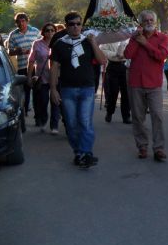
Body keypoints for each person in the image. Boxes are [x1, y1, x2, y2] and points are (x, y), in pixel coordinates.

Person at [50, 11, 107, 168]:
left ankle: (86, 153)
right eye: (72, 24)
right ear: (66, 26)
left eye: (78, 24)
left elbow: (102, 60)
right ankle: (79, 152)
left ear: (82, 25)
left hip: (87, 88)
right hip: (67, 89)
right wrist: (53, 89)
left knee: (85, 122)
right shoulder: (59, 44)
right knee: (71, 124)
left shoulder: (88, 41)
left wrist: (94, 43)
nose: (75, 27)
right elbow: (54, 67)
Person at [124, 10, 168, 161]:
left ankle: (159, 148)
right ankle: (142, 146)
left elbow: (161, 56)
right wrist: (136, 39)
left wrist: (145, 44)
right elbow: (127, 55)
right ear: (141, 23)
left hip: (154, 84)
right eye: (146, 20)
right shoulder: (135, 37)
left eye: (151, 20)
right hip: (136, 82)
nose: (149, 22)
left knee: (157, 116)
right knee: (138, 117)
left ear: (155, 22)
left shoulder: (163, 38)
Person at [27, 22, 61, 133]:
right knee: (43, 101)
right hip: (42, 77)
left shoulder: (59, 43)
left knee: (55, 101)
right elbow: (31, 61)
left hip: (56, 77)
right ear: (43, 32)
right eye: (47, 30)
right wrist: (29, 77)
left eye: (52, 30)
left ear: (55, 32)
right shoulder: (37, 44)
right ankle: (43, 120)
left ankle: (54, 126)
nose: (50, 32)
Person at [6, 12, 40, 118]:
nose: (21, 23)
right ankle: (24, 113)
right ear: (16, 23)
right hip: (22, 66)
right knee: (25, 91)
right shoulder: (13, 34)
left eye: (23, 21)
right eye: (18, 22)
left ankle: (38, 115)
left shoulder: (35, 31)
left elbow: (42, 46)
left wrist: (32, 51)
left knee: (38, 91)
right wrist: (18, 51)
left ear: (27, 21)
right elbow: (9, 51)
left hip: (36, 66)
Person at [100, 39, 131, 124]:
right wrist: (115, 54)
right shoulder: (110, 38)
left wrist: (124, 55)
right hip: (113, 66)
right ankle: (109, 112)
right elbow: (103, 50)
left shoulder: (127, 38)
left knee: (126, 92)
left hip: (125, 66)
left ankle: (126, 116)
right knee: (113, 91)